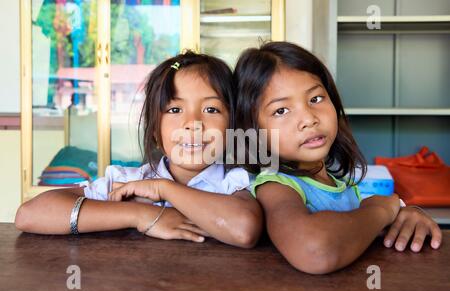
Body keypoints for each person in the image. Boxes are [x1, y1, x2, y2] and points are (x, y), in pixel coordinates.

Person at [15, 51, 263, 249]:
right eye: (174, 110)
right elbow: (29, 214)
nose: (193, 123)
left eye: (211, 109)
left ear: (232, 126)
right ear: (155, 130)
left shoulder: (235, 182)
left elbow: (243, 229)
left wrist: (163, 189)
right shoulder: (128, 182)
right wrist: (141, 215)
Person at [233, 41, 442, 273]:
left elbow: (358, 229)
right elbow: (315, 251)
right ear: (253, 130)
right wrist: (381, 211)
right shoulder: (275, 186)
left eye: (315, 99)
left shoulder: (338, 182)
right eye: (281, 110)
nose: (309, 119)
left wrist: (408, 215)